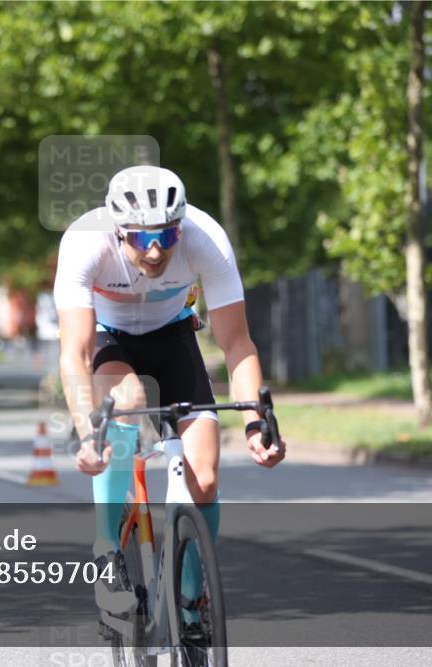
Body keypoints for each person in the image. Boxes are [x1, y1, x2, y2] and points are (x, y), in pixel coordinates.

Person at [54, 165, 287, 616]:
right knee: (129, 401)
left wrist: (258, 425)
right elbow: (75, 356)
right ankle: (108, 552)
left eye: (167, 235)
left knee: (205, 477)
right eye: (142, 239)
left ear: (181, 224)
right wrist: (87, 433)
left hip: (173, 336)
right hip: (109, 338)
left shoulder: (206, 238)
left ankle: (189, 599)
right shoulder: (85, 242)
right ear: (118, 230)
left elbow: (237, 344)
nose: (156, 250)